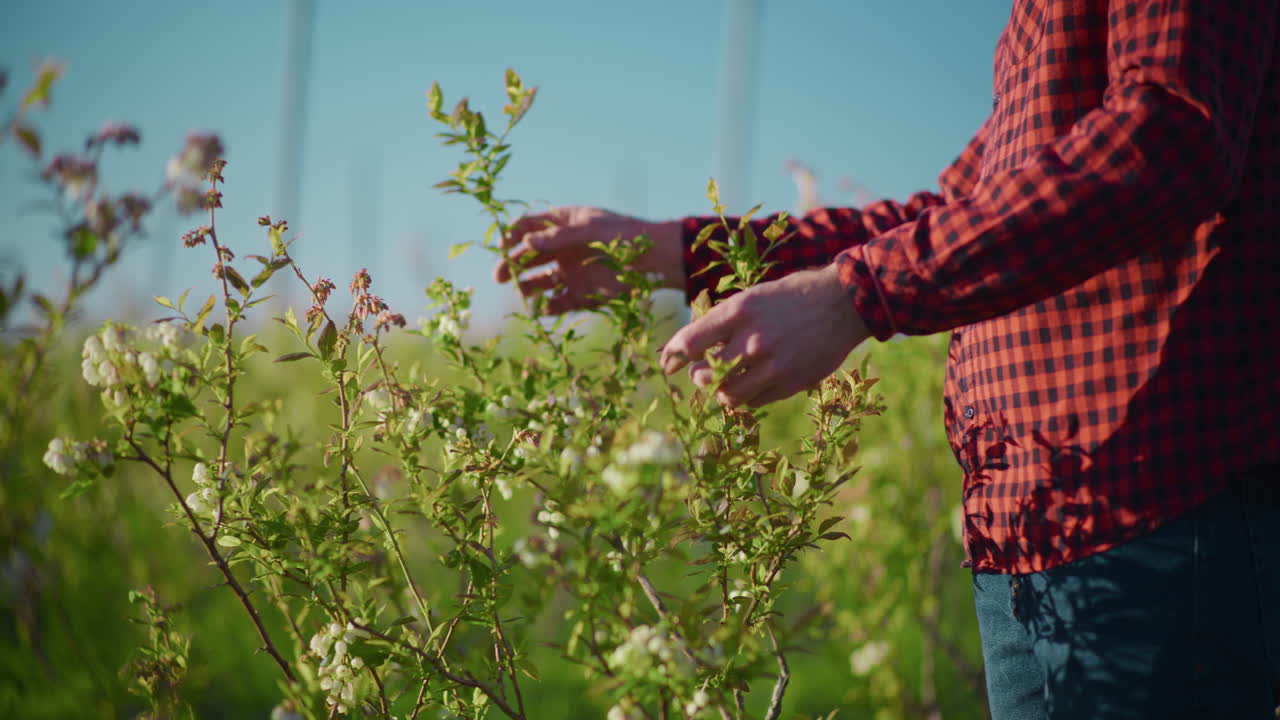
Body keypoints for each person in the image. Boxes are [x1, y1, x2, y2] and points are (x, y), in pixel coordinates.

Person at [492, 2, 1279, 717]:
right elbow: (953, 213)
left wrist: (853, 297)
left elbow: (1167, 134)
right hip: (1031, 535)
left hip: (1160, 510)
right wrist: (685, 251)